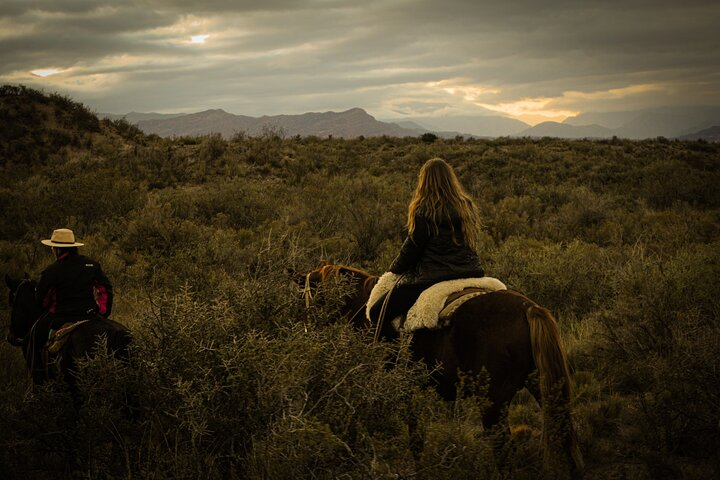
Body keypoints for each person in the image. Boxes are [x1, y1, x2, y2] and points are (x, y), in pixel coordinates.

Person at [369, 157, 485, 325]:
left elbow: (412, 249)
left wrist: (395, 269)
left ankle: (394, 351)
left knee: (377, 313)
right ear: (450, 179)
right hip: (471, 271)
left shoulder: (424, 209)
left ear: (425, 181)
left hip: (435, 276)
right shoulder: (465, 204)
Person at [29, 228, 113, 378]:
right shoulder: (91, 265)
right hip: (90, 315)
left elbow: (40, 299)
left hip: (60, 317)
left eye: (53, 247)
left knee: (35, 334)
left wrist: (47, 306)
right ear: (74, 246)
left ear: (57, 249)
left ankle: (38, 376)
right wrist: (103, 312)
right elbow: (105, 289)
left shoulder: (51, 271)